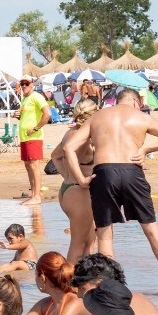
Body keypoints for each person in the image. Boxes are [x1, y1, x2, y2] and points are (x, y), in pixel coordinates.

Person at [59, 87, 158, 296]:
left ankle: (109, 288)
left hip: (104, 172)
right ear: (135, 101)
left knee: (105, 235)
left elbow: (68, 148)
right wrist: (145, 149)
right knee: (151, 229)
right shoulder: (140, 116)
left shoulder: (98, 117)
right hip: (132, 171)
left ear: (117, 101)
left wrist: (80, 179)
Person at [49, 100, 98, 264]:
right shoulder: (82, 137)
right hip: (79, 192)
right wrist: (81, 180)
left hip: (67, 190)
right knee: (78, 245)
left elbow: (55, 156)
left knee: (89, 242)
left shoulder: (70, 133)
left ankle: (85, 284)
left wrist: (68, 177)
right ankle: (68, 285)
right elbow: (71, 157)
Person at [16, 77, 49, 205]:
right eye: (22, 84)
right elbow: (27, 117)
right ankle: (33, 194)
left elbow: (47, 114)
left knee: (34, 165)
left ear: (32, 85)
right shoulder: (24, 99)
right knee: (28, 165)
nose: (24, 86)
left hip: (34, 137)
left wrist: (36, 128)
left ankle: (37, 196)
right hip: (25, 137)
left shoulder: (37, 96)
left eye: (26, 84)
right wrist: (18, 116)